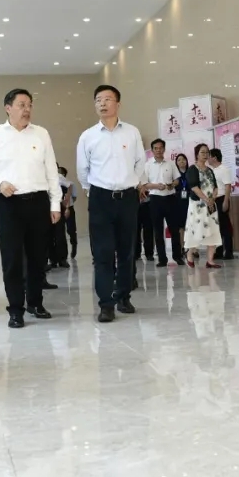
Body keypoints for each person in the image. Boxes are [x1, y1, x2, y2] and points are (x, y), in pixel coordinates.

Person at [0, 88, 62, 328]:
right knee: (12, 258)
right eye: (22, 105)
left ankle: (35, 302)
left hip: (39, 201)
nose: (27, 109)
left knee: (38, 257)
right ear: (8, 108)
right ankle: (15, 309)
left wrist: (55, 203)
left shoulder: (41, 134)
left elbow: (51, 171)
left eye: (30, 105)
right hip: (9, 203)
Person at [76, 84, 146, 323]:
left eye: (107, 99)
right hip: (100, 199)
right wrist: (93, 190)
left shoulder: (132, 132)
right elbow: (82, 170)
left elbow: (140, 162)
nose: (102, 103)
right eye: (98, 100)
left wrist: (131, 182)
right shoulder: (88, 136)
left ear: (118, 104)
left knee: (127, 251)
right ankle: (106, 304)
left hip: (127, 198)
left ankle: (123, 296)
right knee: (103, 254)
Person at [144, 138, 182, 267]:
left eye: (160, 148)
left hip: (170, 198)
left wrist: (172, 184)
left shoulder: (170, 163)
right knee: (158, 230)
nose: (158, 150)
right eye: (156, 148)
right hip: (155, 199)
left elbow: (177, 180)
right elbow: (145, 184)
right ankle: (162, 259)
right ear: (152, 150)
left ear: (164, 149)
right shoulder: (148, 165)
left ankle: (177, 256)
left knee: (174, 229)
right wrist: (156, 186)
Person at [184, 144, 223, 268]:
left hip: (211, 205)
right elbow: (194, 188)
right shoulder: (192, 169)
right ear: (197, 154)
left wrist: (212, 199)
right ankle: (190, 254)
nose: (205, 155)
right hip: (198, 205)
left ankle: (210, 261)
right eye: (202, 152)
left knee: (213, 230)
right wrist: (206, 199)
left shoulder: (210, 170)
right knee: (197, 229)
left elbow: (215, 187)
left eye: (207, 153)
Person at [207, 148, 235, 259]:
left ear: (214, 157)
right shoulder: (212, 171)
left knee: (225, 226)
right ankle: (219, 251)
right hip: (214, 200)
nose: (207, 159)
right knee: (216, 227)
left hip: (222, 199)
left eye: (209, 156)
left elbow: (228, 186)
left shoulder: (224, 169)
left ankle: (229, 251)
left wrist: (226, 201)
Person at [49, 163, 72, 270]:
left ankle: (62, 259)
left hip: (58, 207)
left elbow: (69, 185)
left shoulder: (58, 177)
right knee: (48, 236)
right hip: (46, 208)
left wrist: (66, 203)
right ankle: (52, 260)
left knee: (60, 235)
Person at [58, 167, 79, 258]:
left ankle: (74, 244)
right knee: (60, 231)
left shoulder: (68, 183)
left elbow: (74, 196)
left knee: (71, 229)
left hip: (68, 207)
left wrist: (68, 204)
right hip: (58, 208)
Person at [173, 153, 191, 257]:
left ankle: (192, 249)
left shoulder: (190, 172)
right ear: (176, 163)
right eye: (179, 160)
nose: (181, 161)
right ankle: (182, 247)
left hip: (190, 201)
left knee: (191, 225)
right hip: (178, 202)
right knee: (181, 226)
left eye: (183, 159)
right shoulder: (175, 174)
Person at [133, 191, 154, 263]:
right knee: (135, 229)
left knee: (148, 229)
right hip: (134, 204)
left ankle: (149, 253)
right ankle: (136, 253)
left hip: (147, 202)